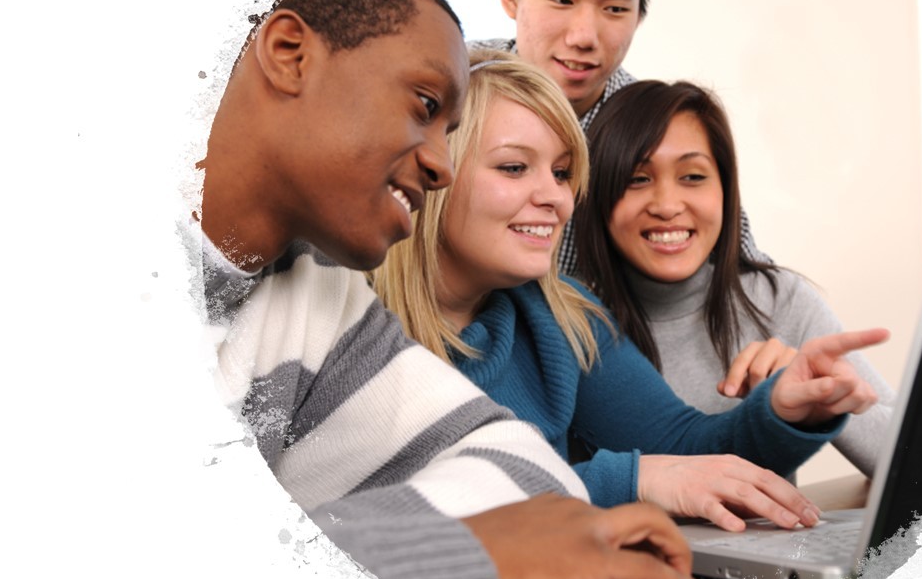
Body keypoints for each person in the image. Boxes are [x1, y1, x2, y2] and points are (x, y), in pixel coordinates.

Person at [194, 0, 707, 579]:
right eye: (426, 108)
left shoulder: (315, 301)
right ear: (290, 54)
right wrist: (441, 550)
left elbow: (529, 478)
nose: (440, 165)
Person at [370, 51, 888, 530]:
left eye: (562, 173)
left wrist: (781, 413)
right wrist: (632, 480)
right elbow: (404, 513)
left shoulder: (564, 315)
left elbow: (686, 452)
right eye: (513, 167)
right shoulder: (351, 326)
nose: (553, 197)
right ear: (435, 171)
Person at [573, 80, 897, 477]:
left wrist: (822, 394)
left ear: (726, 191)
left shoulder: (777, 300)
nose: (668, 206)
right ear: (596, 196)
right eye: (637, 179)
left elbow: (921, 464)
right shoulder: (568, 324)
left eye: (693, 177)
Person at [471, 0, 766, 275]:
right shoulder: (451, 89)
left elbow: (742, 273)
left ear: (639, 15)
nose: (584, 37)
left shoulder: (652, 129)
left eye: (615, 8)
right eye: (561, 0)